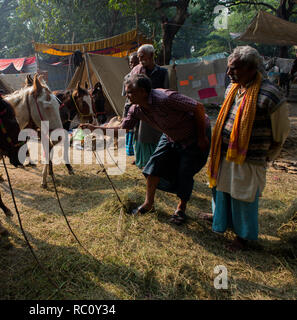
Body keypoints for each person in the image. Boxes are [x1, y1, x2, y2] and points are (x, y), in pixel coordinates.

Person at [81, 73, 211, 225]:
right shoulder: (135, 109)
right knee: (153, 166)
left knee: (184, 172)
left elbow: (198, 108)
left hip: (194, 134)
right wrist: (94, 129)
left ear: (143, 91)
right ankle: (148, 204)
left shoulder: (166, 98)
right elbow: (123, 129)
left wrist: (202, 137)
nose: (127, 96)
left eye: (130, 92)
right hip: (170, 135)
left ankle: (181, 208)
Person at [205, 46, 290, 251]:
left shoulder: (271, 94)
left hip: (249, 158)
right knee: (223, 189)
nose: (229, 73)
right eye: (228, 68)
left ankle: (243, 237)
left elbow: (281, 133)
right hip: (224, 154)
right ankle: (221, 220)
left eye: (234, 69)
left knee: (242, 195)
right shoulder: (233, 88)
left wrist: (267, 155)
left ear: (252, 68)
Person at [131, 44, 170, 169]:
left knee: (158, 140)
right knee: (142, 138)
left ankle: (158, 167)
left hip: (158, 114)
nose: (140, 58)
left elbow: (167, 93)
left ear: (151, 55)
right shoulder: (136, 73)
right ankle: (147, 167)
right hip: (142, 115)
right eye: (139, 56)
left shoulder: (163, 73)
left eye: (142, 56)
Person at [122, 52, 139, 157]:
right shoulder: (127, 77)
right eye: (131, 63)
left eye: (135, 62)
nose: (133, 65)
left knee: (138, 130)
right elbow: (125, 95)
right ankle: (130, 151)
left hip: (140, 107)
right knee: (129, 128)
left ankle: (137, 153)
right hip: (129, 106)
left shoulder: (143, 76)